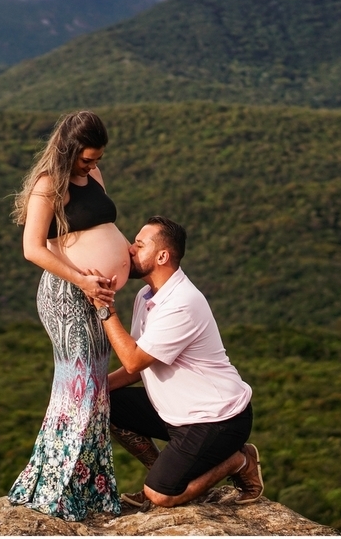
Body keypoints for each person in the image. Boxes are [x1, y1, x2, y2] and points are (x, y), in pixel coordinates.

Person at [87, 216, 264, 508]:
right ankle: (163, 473)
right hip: (175, 412)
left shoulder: (181, 303)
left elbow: (132, 361)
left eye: (139, 245)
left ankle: (238, 460)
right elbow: (139, 364)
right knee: (104, 402)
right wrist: (95, 389)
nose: (130, 250)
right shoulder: (147, 295)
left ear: (162, 256)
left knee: (162, 496)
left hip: (216, 419)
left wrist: (104, 308)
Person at [7, 111, 130, 521]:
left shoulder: (94, 177)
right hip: (65, 296)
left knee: (94, 390)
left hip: (95, 296)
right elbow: (33, 248)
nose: (92, 166)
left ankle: (89, 490)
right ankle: (57, 490)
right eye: (86, 159)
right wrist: (82, 279)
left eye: (96, 159)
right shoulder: (48, 186)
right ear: (69, 149)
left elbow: (102, 226)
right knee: (78, 388)